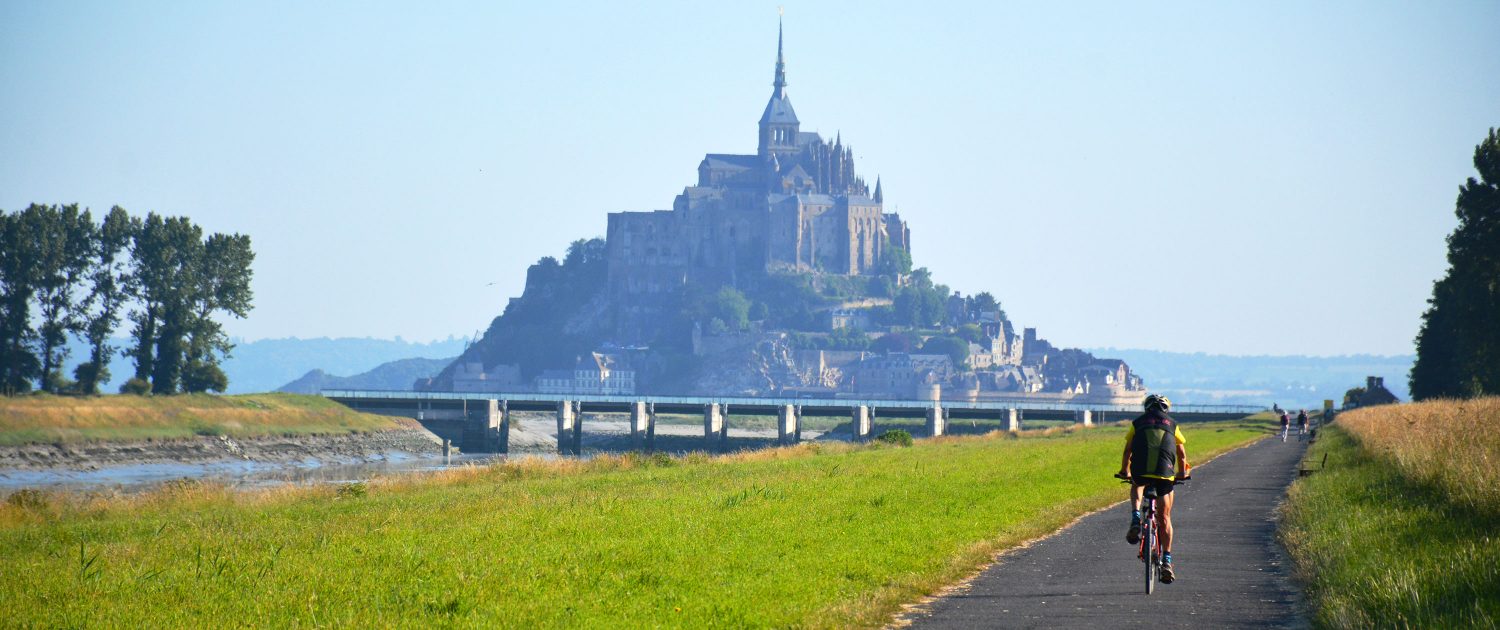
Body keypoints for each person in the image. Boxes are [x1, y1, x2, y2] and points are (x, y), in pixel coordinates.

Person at [1117, 393, 1190, 584]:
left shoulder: (1138, 422)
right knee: (1165, 517)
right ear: (1166, 409)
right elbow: (1181, 454)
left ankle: (1135, 516)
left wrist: (1125, 470)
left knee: (1136, 483)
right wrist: (1182, 473)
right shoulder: (1173, 424)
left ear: (1146, 408)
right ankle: (1167, 560)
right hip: (1165, 474)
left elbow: (1127, 450)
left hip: (1141, 471)